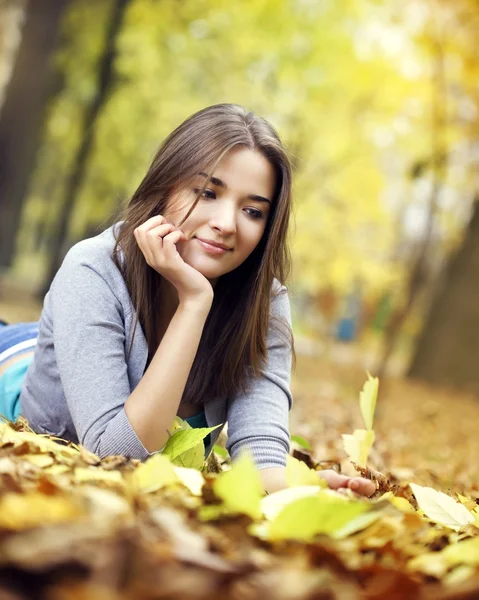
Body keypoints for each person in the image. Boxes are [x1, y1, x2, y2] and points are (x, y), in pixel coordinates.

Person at [0, 104, 375, 496]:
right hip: (14, 362)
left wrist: (305, 494)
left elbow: (259, 455)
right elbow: (117, 458)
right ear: (166, 187)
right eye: (207, 192)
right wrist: (194, 304)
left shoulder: (264, 302)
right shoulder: (93, 269)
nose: (226, 223)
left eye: (252, 211)